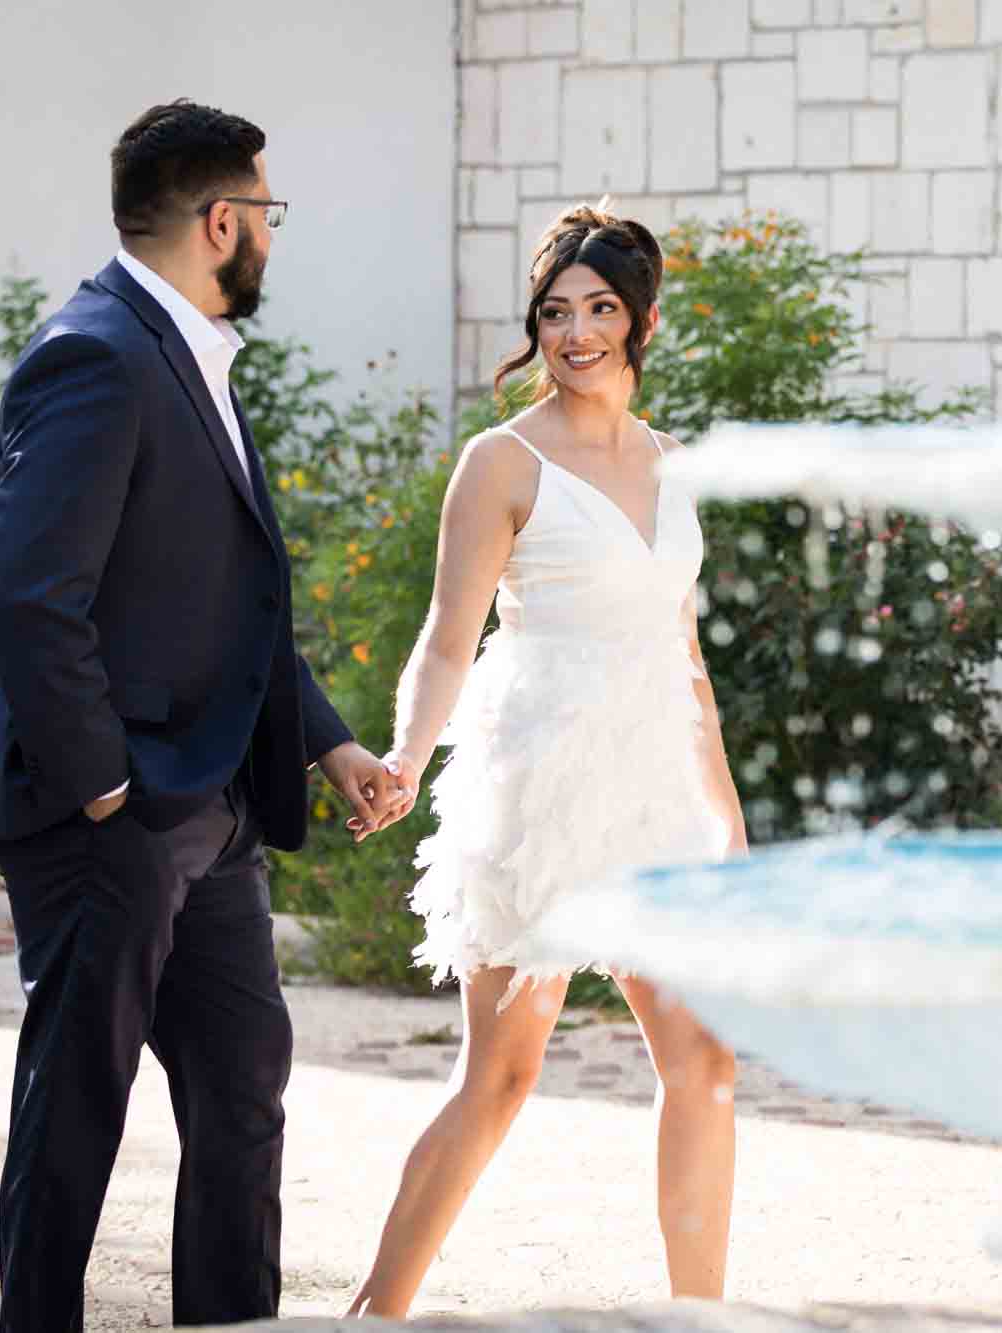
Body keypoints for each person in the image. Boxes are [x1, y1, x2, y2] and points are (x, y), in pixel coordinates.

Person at [0, 99, 407, 1330]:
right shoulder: (93, 350)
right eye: (267, 214)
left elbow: (224, 598)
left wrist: (326, 737)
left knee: (244, 1079)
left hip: (209, 806)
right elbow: (31, 597)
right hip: (115, 810)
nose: (271, 237)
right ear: (220, 221)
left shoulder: (183, 349)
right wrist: (107, 787)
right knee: (79, 1101)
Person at [346, 203, 749, 1316]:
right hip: (539, 788)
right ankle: (373, 1312)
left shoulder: (674, 466)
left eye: (599, 310)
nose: (575, 334)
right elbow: (445, 634)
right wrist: (402, 754)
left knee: (706, 1069)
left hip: (657, 799)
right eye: (556, 312)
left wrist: (730, 826)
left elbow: (684, 656)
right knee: (501, 1077)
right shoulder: (502, 461)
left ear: (641, 319)